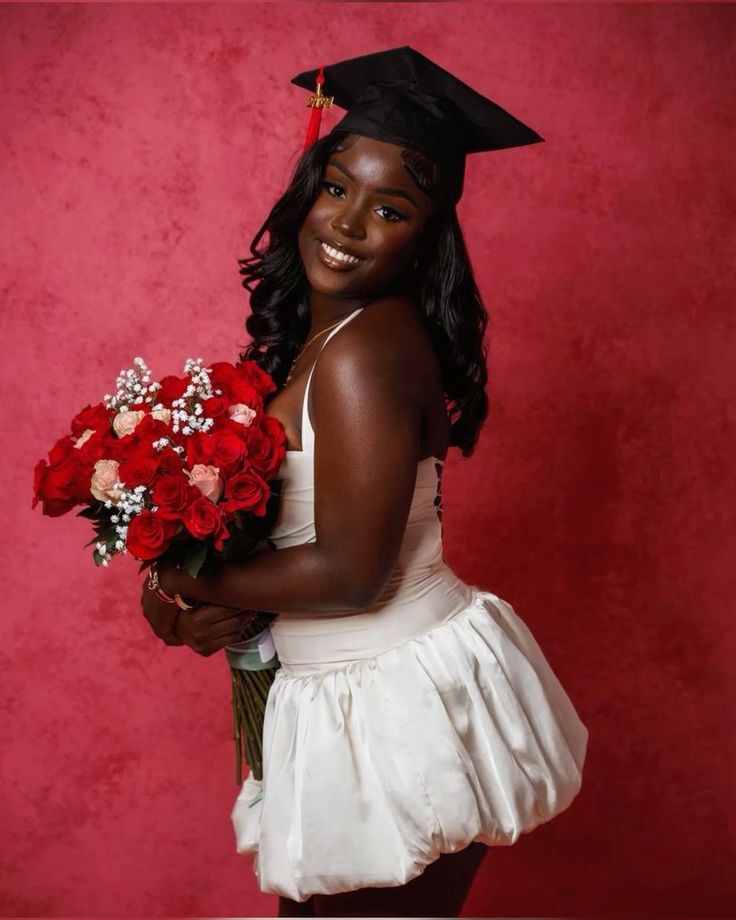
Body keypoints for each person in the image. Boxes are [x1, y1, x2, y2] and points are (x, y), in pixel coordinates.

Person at [141, 47, 589, 918]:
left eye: (391, 209)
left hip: (391, 700)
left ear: (426, 238)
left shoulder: (366, 353)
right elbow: (272, 545)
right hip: (351, 691)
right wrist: (180, 597)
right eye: (337, 187)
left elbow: (349, 572)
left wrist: (177, 577)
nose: (345, 224)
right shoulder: (322, 345)